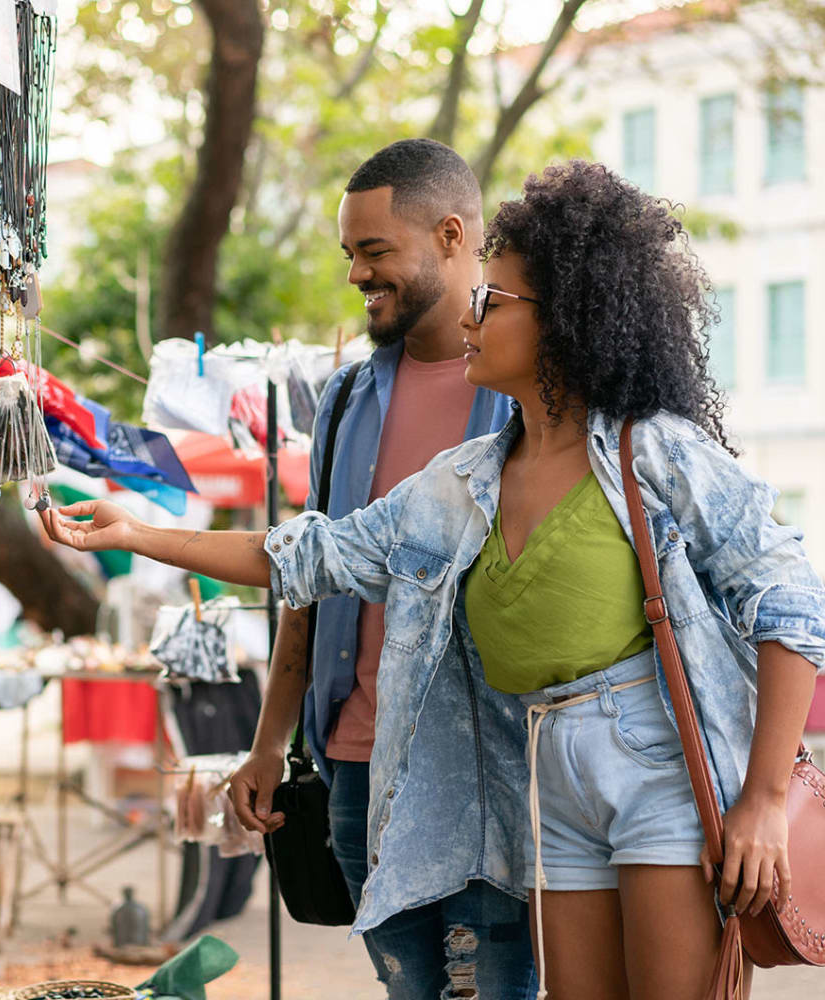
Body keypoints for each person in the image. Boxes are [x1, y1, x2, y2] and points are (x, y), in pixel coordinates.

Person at [41, 160, 825, 1000]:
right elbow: (317, 555)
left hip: (659, 765)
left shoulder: (651, 452)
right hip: (546, 772)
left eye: (495, 300)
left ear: (562, 320)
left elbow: (791, 606)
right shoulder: (467, 480)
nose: (473, 316)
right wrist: (142, 535)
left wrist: (763, 800)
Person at [240, 137, 533, 998]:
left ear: (451, 235)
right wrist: (271, 744)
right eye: (350, 256)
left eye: (374, 253)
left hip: (486, 763)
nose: (357, 276)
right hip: (355, 764)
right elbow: (311, 574)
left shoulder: (525, 388)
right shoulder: (343, 398)